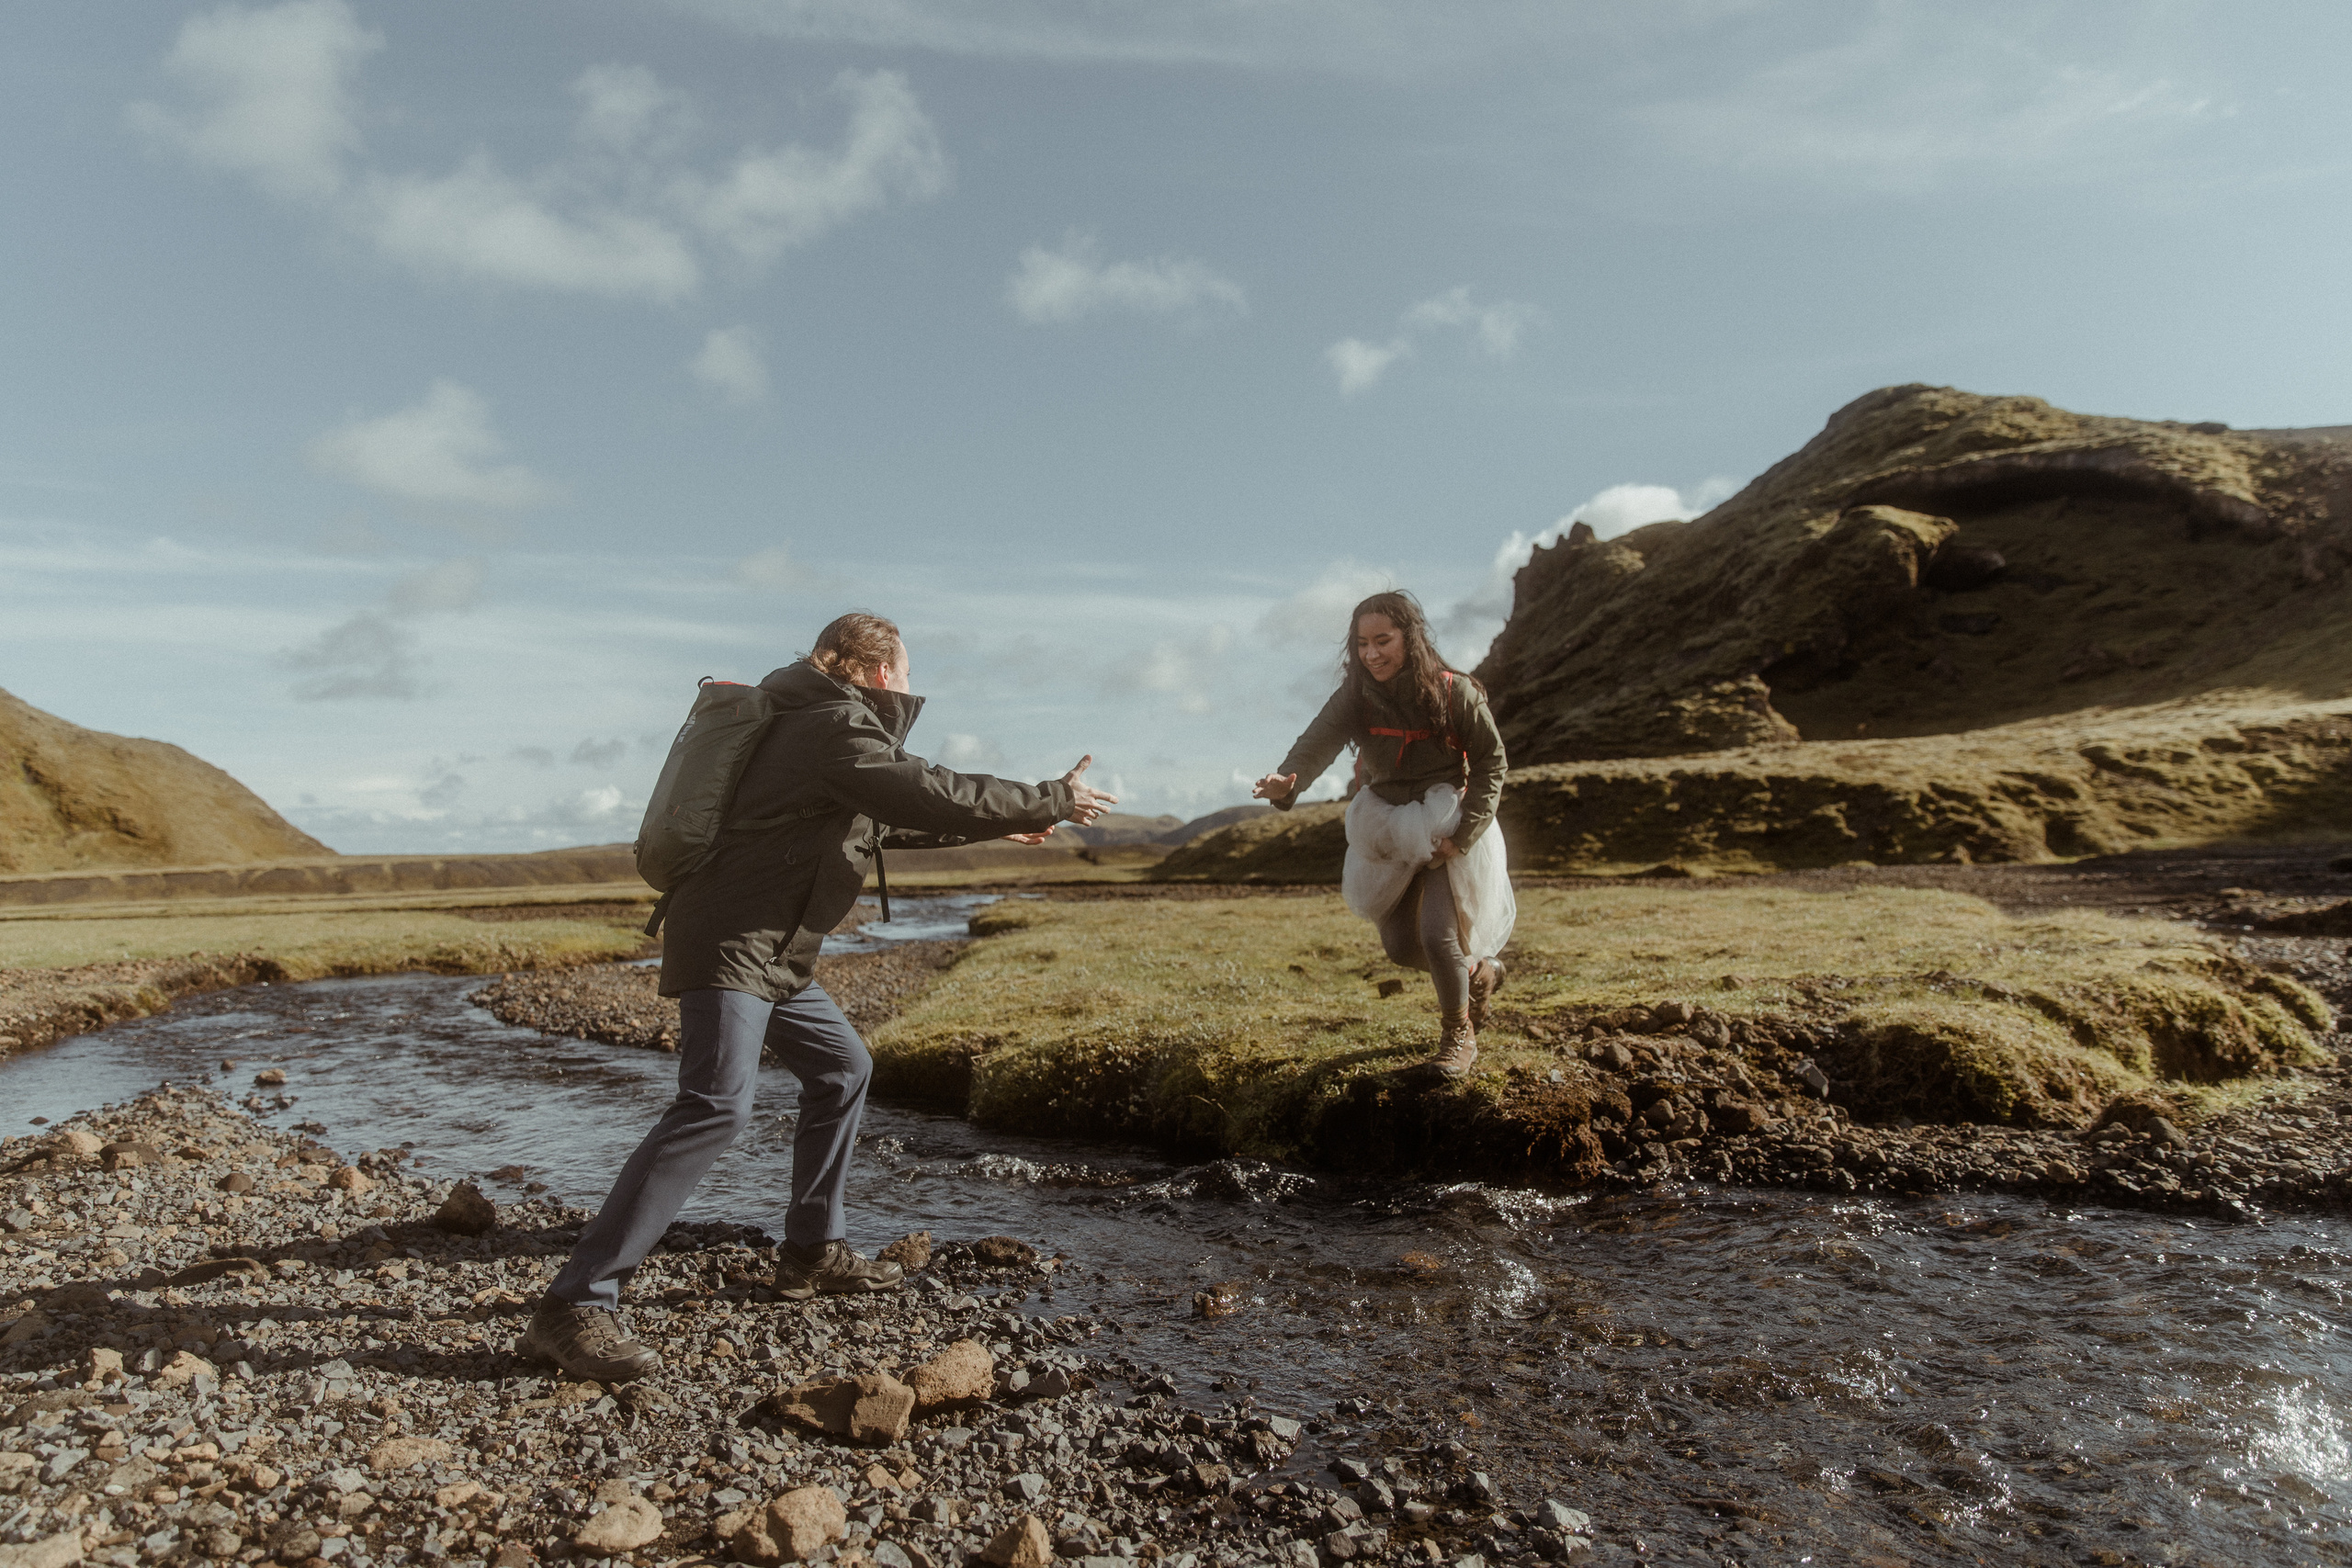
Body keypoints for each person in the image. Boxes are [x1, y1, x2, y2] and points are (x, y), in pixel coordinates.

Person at [523, 612, 1116, 1382]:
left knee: (844, 1067)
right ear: (876, 672)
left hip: (772, 951)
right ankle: (576, 1301)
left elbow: (878, 820)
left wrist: (1006, 825)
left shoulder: (817, 725)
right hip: (733, 942)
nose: (908, 689)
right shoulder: (830, 723)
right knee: (715, 1104)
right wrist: (1049, 797)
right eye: (905, 675)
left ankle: (811, 1250)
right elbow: (916, 786)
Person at [1251, 590, 1510, 1077]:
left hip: (1444, 826)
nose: (1372, 654)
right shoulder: (1356, 694)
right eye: (1362, 643)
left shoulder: (1457, 692)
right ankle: (1479, 973)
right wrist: (1288, 781)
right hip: (1387, 824)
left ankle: (1459, 1039)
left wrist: (1465, 834)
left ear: (1409, 639)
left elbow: (1493, 763)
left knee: (1438, 934)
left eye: (1383, 641)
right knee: (1399, 946)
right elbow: (1317, 741)